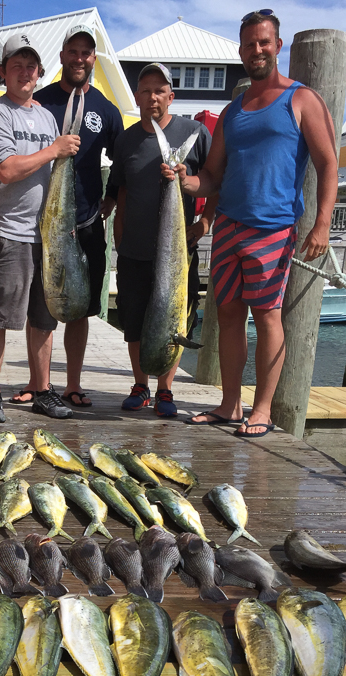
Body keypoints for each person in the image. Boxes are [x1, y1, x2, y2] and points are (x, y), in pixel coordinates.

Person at [169, 11, 338, 437]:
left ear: (277, 46)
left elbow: (329, 164)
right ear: (241, 50)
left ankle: (261, 408)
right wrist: (182, 180)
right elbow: (212, 176)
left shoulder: (302, 100)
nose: (256, 50)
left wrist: (322, 223)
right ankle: (229, 404)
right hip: (228, 226)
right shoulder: (232, 112)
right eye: (248, 45)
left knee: (267, 316)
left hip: (274, 229)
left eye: (264, 42)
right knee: (226, 314)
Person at [7, 22, 122, 409]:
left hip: (87, 224)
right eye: (72, 51)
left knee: (79, 308)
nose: (79, 58)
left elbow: (122, 159)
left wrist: (112, 198)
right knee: (41, 308)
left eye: (86, 53)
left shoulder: (106, 109)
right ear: (61, 57)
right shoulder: (38, 103)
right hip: (42, 226)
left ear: (93, 59)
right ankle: (38, 382)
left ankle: (72, 384)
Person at [0, 32, 81, 423]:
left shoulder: (48, 116)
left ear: (39, 73)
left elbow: (56, 179)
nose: (24, 72)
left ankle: (42, 389)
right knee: (1, 316)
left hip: (48, 237)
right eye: (16, 66)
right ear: (2, 72)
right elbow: (6, 170)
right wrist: (54, 149)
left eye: (30, 66)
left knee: (44, 317)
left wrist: (64, 224)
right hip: (10, 234)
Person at [111, 62, 214, 418]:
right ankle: (140, 385)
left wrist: (205, 223)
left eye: (160, 90)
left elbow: (215, 181)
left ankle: (165, 390)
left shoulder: (196, 132)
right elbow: (121, 190)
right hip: (135, 250)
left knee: (177, 320)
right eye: (145, 90)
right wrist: (118, 233)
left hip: (178, 252)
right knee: (134, 319)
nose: (152, 96)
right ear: (137, 96)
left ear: (171, 96)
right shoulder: (125, 139)